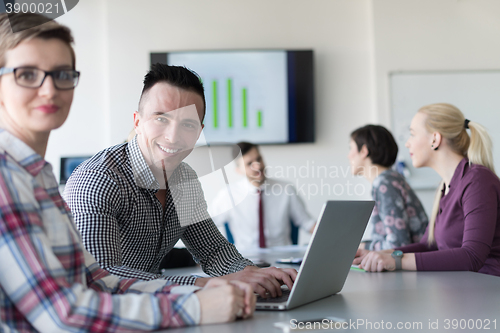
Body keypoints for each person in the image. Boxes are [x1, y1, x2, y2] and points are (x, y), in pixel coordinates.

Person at [0, 13, 255, 332]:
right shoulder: (13, 179)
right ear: (137, 121)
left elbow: (99, 280)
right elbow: (64, 315)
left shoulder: (38, 176)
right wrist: (194, 301)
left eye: (62, 74)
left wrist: (246, 277)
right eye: (27, 74)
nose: (50, 90)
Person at [64, 63, 296, 297]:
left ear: (199, 132)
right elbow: (101, 277)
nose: (173, 136)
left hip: (151, 309)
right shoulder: (99, 179)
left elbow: (214, 252)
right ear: (138, 122)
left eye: (187, 124)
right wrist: (202, 284)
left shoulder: (185, 179)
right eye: (161, 119)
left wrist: (254, 274)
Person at [353, 103, 500, 276]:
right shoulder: (445, 186)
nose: (407, 143)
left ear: (435, 139)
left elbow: (472, 256)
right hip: (462, 287)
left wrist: (396, 261)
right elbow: (428, 245)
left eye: (412, 134)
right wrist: (381, 254)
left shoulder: (477, 180)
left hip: (488, 290)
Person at [211, 142, 316, 251]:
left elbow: (307, 223)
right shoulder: (228, 195)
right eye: (249, 163)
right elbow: (204, 228)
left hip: (281, 258)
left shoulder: (286, 189)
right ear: (238, 170)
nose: (258, 166)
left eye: (259, 159)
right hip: (245, 261)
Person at [348, 125, 428, 250]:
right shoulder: (390, 179)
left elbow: (398, 245)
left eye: (351, 148)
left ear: (364, 151)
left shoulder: (385, 184)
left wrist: (361, 247)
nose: (349, 156)